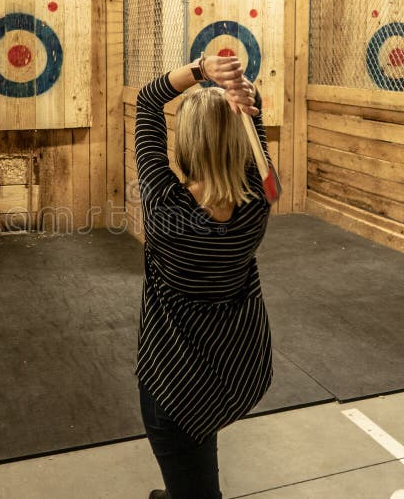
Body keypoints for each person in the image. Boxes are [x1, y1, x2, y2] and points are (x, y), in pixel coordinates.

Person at [135, 55, 274, 499]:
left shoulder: (165, 211)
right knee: (197, 454)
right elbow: (257, 134)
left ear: (186, 144)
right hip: (235, 370)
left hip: (175, 385)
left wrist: (202, 68)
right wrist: (245, 98)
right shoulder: (258, 199)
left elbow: (147, 101)